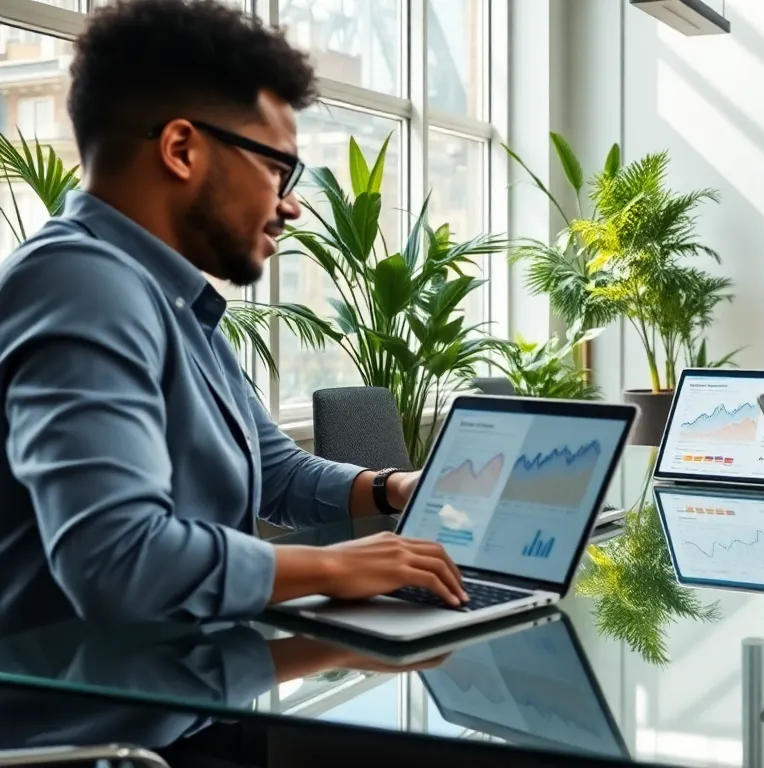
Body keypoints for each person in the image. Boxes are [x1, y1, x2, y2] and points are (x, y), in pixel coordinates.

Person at [0, 0, 470, 635]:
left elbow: (277, 472)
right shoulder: (79, 285)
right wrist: (333, 568)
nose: (292, 205)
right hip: (116, 726)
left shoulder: (170, 301)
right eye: (278, 168)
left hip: (193, 694)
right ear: (181, 149)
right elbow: (118, 559)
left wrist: (396, 488)